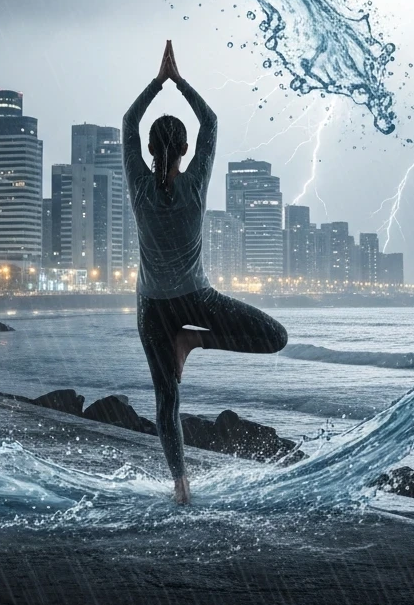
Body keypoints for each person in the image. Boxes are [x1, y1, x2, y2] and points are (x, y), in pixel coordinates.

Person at [122, 40, 289, 505]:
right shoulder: (195, 183)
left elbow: (127, 123)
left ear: (151, 149)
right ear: (187, 149)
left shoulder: (138, 184)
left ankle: (180, 485)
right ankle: (196, 340)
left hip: (152, 309)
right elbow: (211, 121)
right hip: (197, 299)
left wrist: (158, 83)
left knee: (167, 402)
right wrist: (178, 81)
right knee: (275, 337)